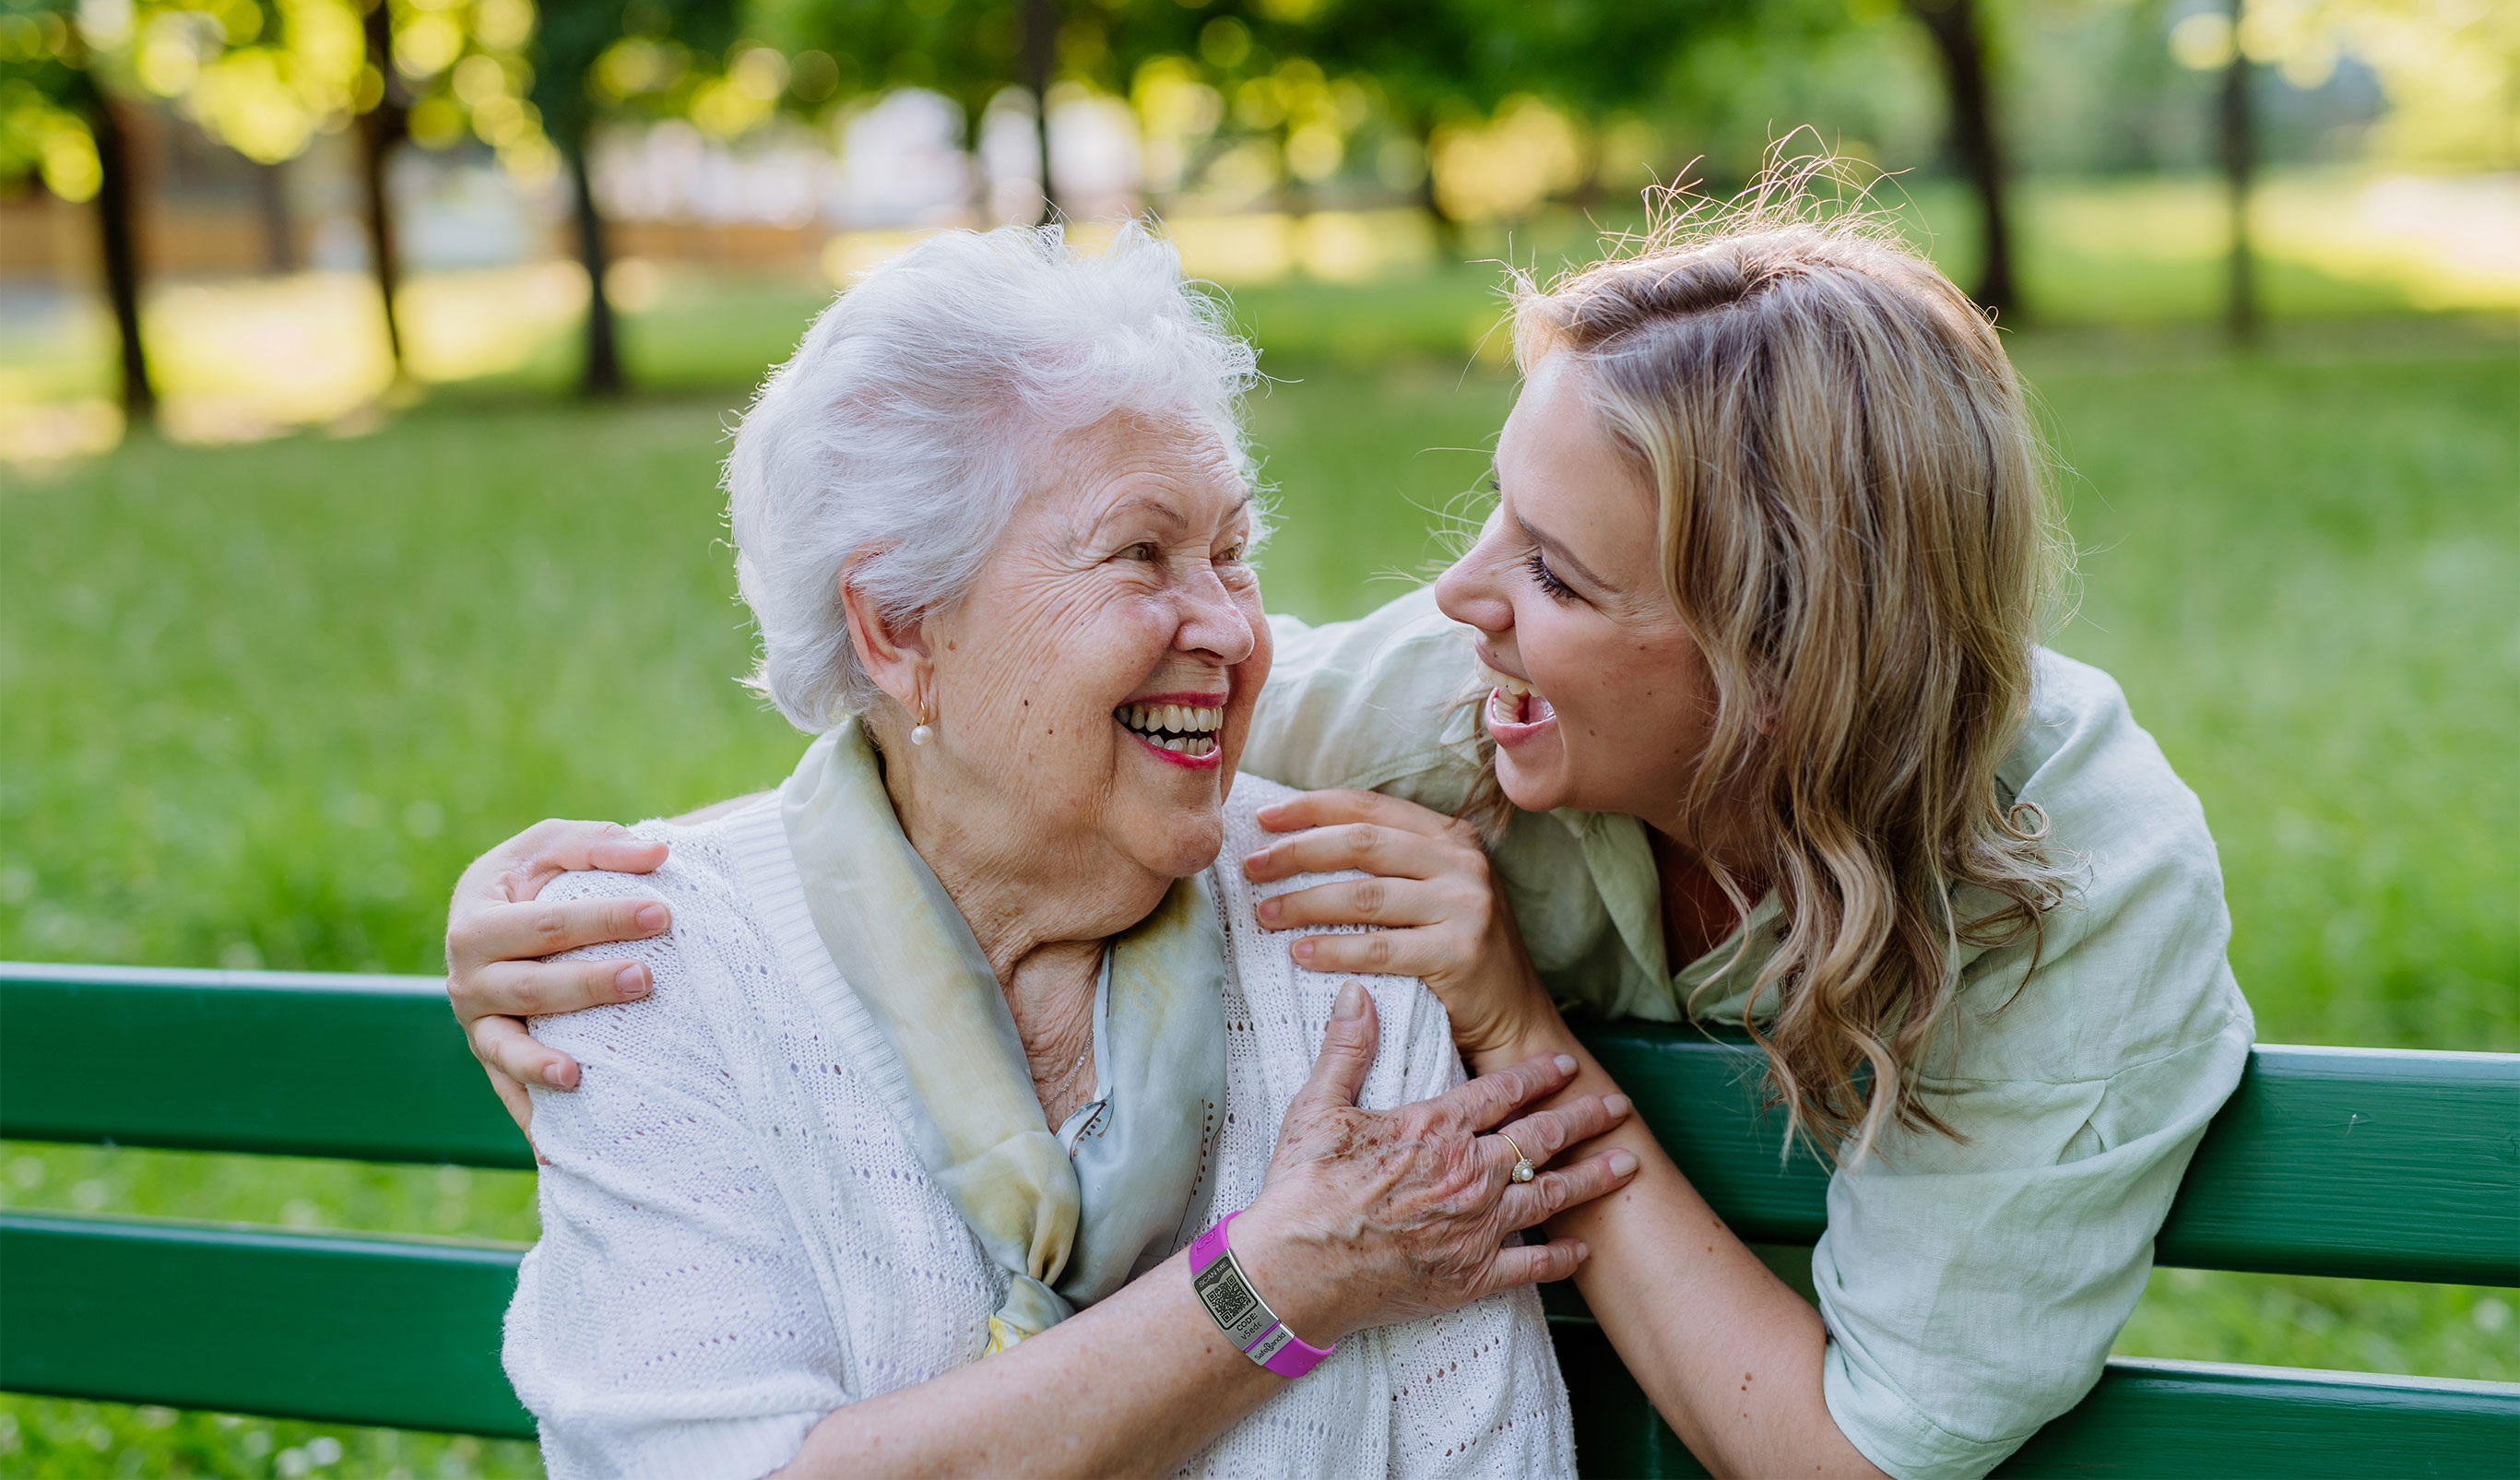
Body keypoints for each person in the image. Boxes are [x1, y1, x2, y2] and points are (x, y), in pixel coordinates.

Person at [451, 194, 2253, 1480]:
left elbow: (1813, 1450)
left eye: (1551, 573)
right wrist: (547, 928)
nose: (1452, 596)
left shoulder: (2063, 890)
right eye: (1143, 553)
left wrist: (1503, 1025)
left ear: (1774, 660)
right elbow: (998, 738)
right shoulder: (1429, 713)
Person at [486, 224, 1634, 1480]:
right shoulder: (644, 967)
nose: (1230, 626)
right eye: (1141, 552)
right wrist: (1271, 1284)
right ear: (898, 624)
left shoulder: (1342, 925)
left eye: (1233, 553)